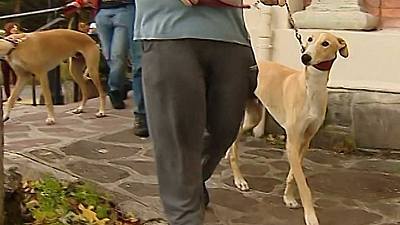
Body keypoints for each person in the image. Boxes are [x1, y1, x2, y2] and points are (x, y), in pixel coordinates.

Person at [134, 1, 259, 224]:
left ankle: (191, 180)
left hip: (230, 36)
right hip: (167, 30)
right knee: (178, 140)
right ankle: (185, 212)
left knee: (225, 130)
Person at [70, 0, 149, 137]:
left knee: (118, 56)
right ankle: (118, 87)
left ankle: (116, 89)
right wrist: (79, 2)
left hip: (125, 9)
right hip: (102, 12)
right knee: (109, 57)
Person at [1, 22, 21, 102]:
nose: (15, 29)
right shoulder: (4, 38)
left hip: (14, 60)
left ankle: (15, 95)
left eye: (16, 28)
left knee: (16, 78)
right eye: (13, 28)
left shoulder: (17, 38)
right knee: (6, 79)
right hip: (5, 60)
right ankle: (8, 95)